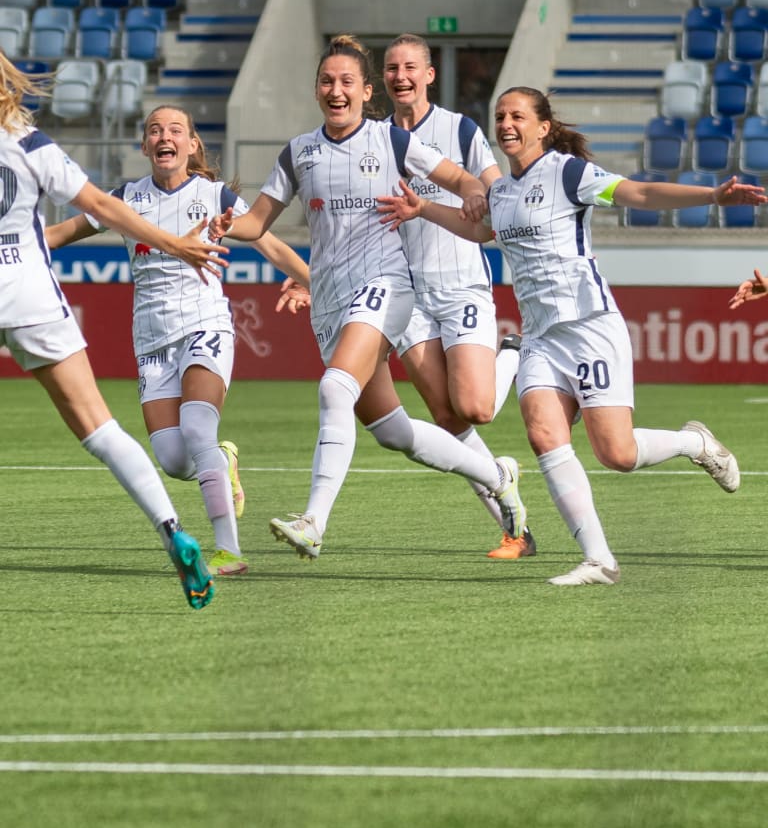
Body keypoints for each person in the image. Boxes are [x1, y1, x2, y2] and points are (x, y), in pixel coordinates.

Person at [379, 86, 767, 586]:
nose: (505, 125)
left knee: (617, 454)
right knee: (543, 434)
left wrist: (712, 195)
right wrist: (422, 210)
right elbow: (480, 232)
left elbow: (641, 193)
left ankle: (694, 443)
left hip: (589, 327)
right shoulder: (499, 190)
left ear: (543, 127)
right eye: (499, 116)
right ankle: (598, 559)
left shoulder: (568, 173)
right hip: (539, 337)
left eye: (517, 116)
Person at [209, 35, 525, 561]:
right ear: (317, 90)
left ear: (365, 91)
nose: (336, 90)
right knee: (393, 432)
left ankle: (313, 523)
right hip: (331, 301)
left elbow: (460, 176)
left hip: (385, 287)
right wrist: (226, 224)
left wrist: (473, 192)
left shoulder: (391, 141)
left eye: (347, 82)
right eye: (327, 81)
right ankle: (498, 475)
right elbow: (258, 220)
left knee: (335, 388)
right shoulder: (300, 151)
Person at [0, 55, 228, 609]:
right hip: (27, 295)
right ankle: (172, 529)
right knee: (100, 429)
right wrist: (175, 243)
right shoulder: (26, 142)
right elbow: (100, 205)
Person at [45, 105, 311, 579]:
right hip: (151, 343)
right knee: (173, 460)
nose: (164, 137)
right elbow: (61, 233)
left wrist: (312, 281)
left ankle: (228, 550)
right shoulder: (124, 199)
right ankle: (225, 460)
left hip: (204, 325)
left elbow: (269, 243)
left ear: (192, 145)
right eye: (154, 131)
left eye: (175, 130)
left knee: (197, 427)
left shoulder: (213, 195)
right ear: (145, 146)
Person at [382, 34, 532, 559]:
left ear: (428, 75)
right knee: (448, 419)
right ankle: (515, 528)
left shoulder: (460, 129)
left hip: (460, 283)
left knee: (475, 407)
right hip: (404, 295)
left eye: (410, 67)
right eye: (391, 68)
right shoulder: (373, 138)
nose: (400, 76)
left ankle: (511, 352)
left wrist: (477, 193)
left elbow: (493, 199)